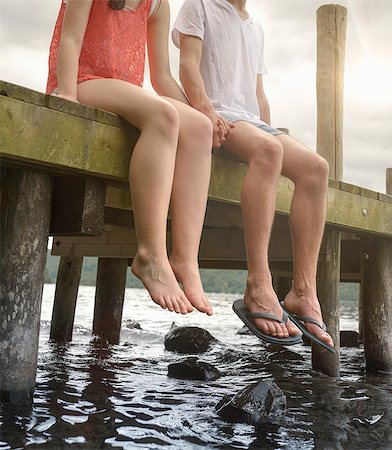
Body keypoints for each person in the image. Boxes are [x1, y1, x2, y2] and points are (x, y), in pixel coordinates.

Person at [172, 0, 335, 351]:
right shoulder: (200, 5)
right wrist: (207, 113)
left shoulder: (254, 27)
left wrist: (271, 130)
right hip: (214, 114)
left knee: (316, 168)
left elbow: (258, 95)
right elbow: (188, 67)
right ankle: (258, 284)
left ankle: (303, 292)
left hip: (250, 121)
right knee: (268, 150)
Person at [47, 0, 215, 316]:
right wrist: (67, 97)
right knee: (163, 115)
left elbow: (162, 77)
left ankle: (185, 260)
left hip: (122, 91)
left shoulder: (156, 5)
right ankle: (151, 255)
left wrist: (201, 112)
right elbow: (70, 39)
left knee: (199, 128)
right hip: (82, 82)